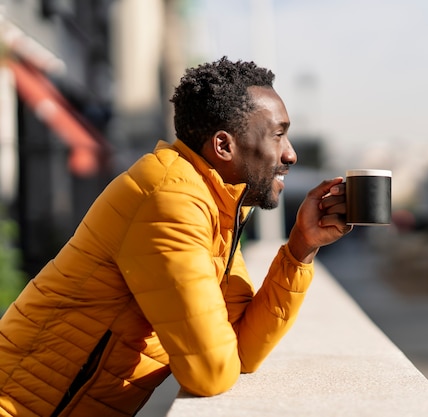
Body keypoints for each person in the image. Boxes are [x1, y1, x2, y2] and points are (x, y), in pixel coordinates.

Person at [0, 57, 352, 416]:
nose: (290, 154)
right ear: (223, 146)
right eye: (278, 134)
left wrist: (301, 248)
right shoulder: (171, 200)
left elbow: (242, 351)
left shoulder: (215, 204)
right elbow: (210, 373)